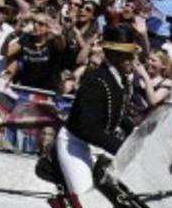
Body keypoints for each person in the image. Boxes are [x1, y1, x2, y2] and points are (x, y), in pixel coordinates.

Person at [56, 25, 140, 196]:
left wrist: (137, 134)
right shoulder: (96, 80)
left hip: (98, 146)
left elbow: (117, 112)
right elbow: (87, 128)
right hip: (75, 145)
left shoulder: (120, 80)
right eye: (128, 55)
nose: (133, 58)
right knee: (85, 197)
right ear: (114, 55)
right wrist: (122, 148)